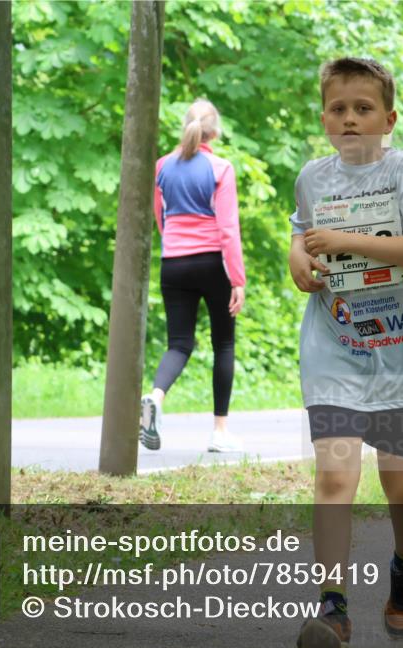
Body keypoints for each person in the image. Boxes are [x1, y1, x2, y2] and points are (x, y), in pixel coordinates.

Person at [287, 57, 403, 648]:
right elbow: (302, 231)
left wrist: (346, 242)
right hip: (334, 348)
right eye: (338, 108)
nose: (350, 118)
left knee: (400, 480)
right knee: (333, 475)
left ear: (388, 117)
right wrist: (298, 260)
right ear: (325, 117)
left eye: (363, 108)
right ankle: (332, 607)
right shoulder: (312, 177)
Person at [141, 99, 246, 453]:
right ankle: (220, 431)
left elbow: (161, 218)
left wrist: (175, 246)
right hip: (212, 262)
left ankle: (156, 396)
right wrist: (237, 280)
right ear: (214, 132)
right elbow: (228, 228)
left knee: (179, 343)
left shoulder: (162, 167)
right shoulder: (220, 167)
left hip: (174, 263)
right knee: (224, 343)